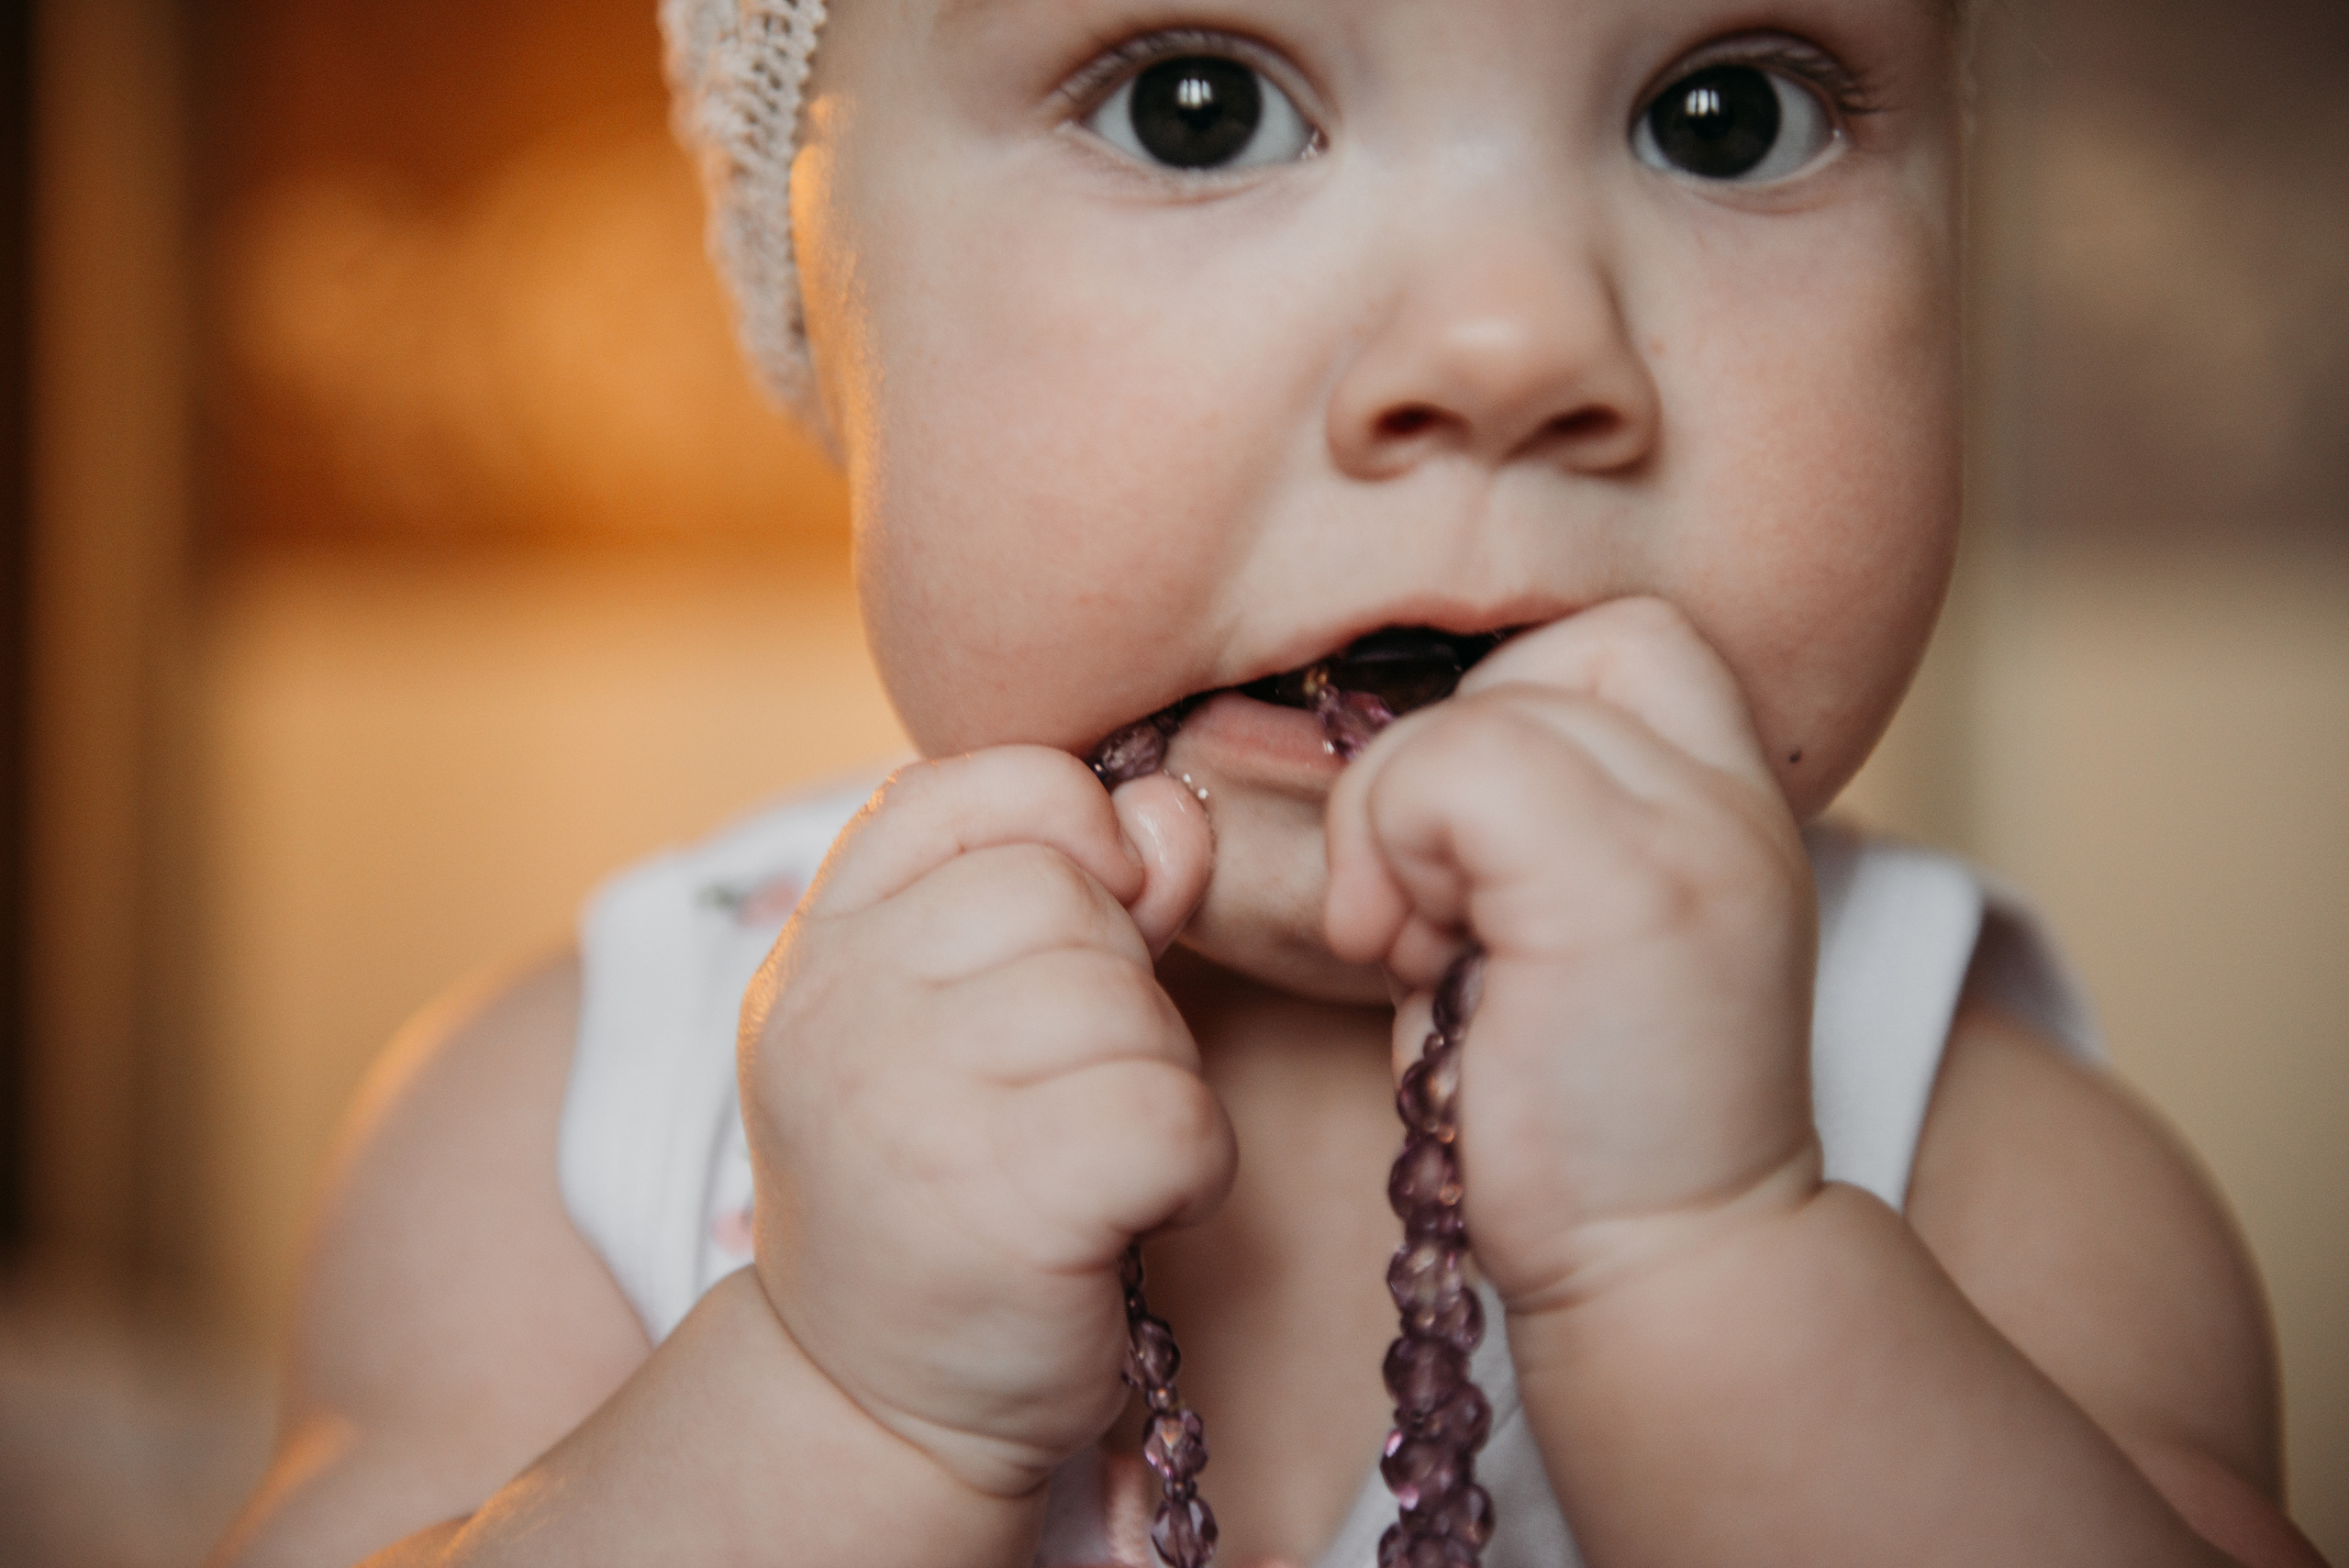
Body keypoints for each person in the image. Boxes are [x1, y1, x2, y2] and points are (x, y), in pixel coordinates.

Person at [211, 1, 2329, 1564]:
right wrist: (831, 1394)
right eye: (1195, 105)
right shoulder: (591, 1121)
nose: (1509, 344)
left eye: (1724, 113)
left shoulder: (1964, 1150)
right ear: (818, 287)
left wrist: (1713, 1271)